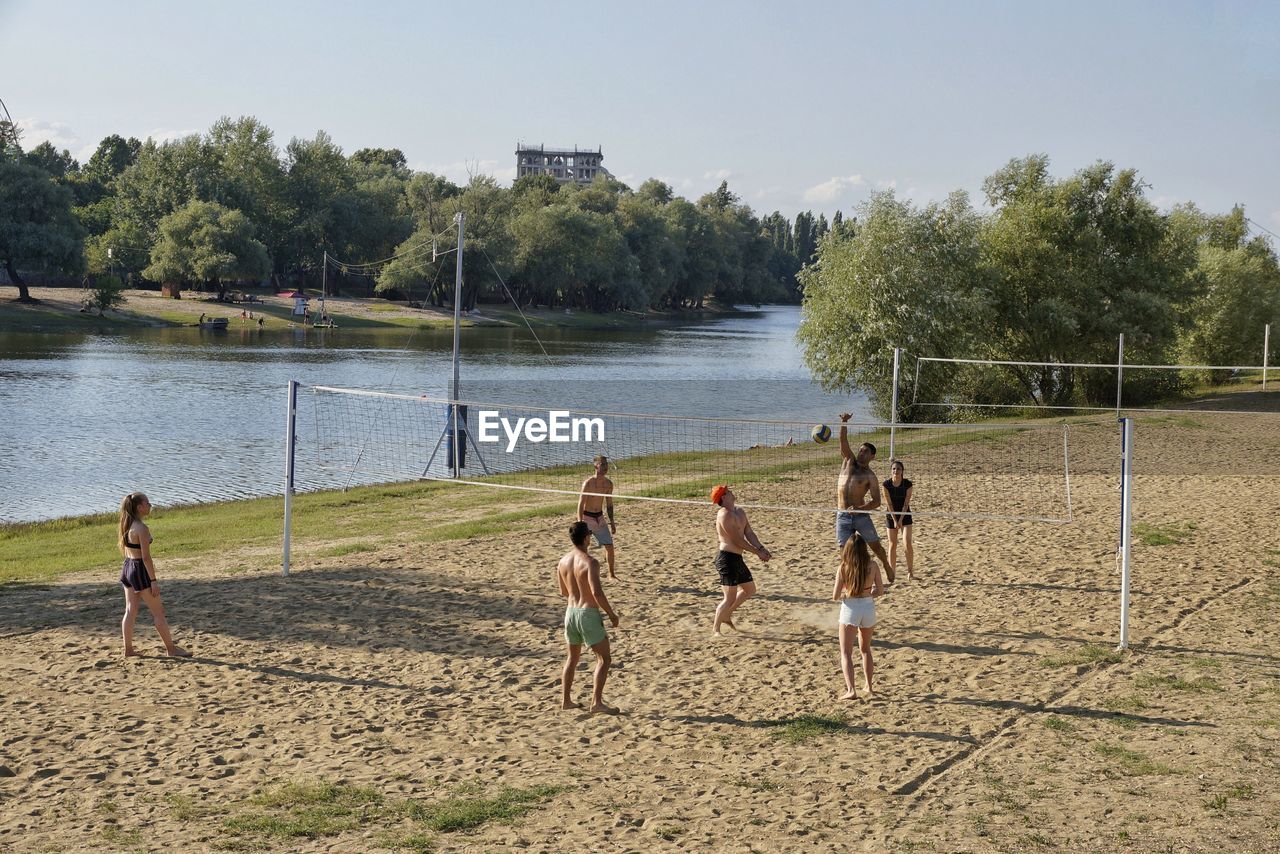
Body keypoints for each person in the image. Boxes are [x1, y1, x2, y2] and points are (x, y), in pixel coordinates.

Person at [557, 521, 620, 714]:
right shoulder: (591, 562)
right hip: (587, 614)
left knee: (572, 658)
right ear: (586, 538)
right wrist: (611, 614)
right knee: (604, 659)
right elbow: (597, 593)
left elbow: (564, 591)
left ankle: (566, 700)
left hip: (570, 613)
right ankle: (597, 703)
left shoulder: (562, 561)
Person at [118, 492, 190, 658]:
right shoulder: (141, 528)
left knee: (130, 610)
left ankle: (128, 650)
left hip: (128, 567)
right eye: (147, 503)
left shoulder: (126, 524)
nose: (150, 505)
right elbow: (146, 557)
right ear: (139, 507)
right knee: (158, 612)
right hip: (140, 570)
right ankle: (171, 649)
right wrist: (153, 581)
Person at [836, 414, 894, 583]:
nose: (861, 453)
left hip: (860, 516)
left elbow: (877, 501)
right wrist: (844, 422)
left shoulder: (870, 476)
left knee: (875, 546)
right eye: (860, 450)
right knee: (844, 550)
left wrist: (860, 509)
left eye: (865, 452)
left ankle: (886, 565)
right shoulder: (849, 461)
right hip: (842, 514)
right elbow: (842, 440)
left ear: (872, 456)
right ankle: (851, 579)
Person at [710, 485, 771, 635]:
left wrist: (761, 548)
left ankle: (726, 614)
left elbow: (749, 532)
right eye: (728, 491)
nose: (731, 492)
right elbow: (737, 540)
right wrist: (757, 553)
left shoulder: (739, 511)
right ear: (724, 497)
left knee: (750, 590)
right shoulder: (724, 515)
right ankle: (716, 629)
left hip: (737, 558)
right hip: (727, 559)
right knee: (728, 598)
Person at [831, 532, 885, 700]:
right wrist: (869, 592)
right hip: (868, 607)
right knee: (865, 649)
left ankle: (851, 689)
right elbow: (880, 590)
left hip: (850, 608)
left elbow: (835, 595)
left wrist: (848, 592)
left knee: (846, 652)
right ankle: (869, 686)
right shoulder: (873, 565)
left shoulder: (843, 567)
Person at [577, 455, 617, 578]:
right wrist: (580, 523)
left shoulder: (608, 484)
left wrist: (612, 522)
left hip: (599, 518)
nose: (605, 467)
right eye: (602, 464)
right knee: (584, 548)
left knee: (610, 547)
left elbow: (609, 504)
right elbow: (580, 504)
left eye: (606, 464)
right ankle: (582, 574)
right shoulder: (588, 483)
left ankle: (611, 574)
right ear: (596, 466)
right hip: (587, 517)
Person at [883, 460, 915, 580]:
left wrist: (900, 519)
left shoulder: (907, 484)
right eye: (894, 469)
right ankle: (892, 573)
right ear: (891, 471)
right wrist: (895, 520)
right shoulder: (886, 484)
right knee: (892, 544)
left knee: (907, 542)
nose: (896, 471)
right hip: (891, 515)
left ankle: (910, 572)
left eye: (898, 469)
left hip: (904, 515)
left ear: (902, 471)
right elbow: (889, 504)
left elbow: (906, 503)